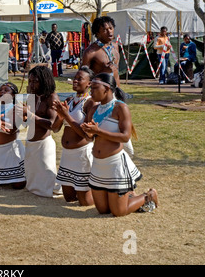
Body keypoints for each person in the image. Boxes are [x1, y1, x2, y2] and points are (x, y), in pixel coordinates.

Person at [80, 73, 159, 216]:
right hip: (98, 165)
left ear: (107, 88)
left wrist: (99, 131)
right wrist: (90, 133)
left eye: (95, 87)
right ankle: (127, 196)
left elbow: (125, 136)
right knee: (103, 210)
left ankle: (147, 196)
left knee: (118, 212)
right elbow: (89, 138)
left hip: (115, 164)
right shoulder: (93, 109)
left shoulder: (121, 108)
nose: (90, 91)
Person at [52, 66, 96, 206]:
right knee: (69, 198)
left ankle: (108, 196)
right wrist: (60, 116)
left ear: (89, 83)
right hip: (67, 156)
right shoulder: (70, 100)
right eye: (75, 78)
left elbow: (88, 136)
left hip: (81, 155)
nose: (75, 81)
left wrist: (66, 115)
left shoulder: (91, 103)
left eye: (79, 79)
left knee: (85, 202)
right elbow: (55, 128)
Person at [21, 65, 61, 198]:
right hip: (31, 142)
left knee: (47, 177)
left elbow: (51, 124)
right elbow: (27, 120)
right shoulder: (32, 95)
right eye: (30, 81)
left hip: (44, 143)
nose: (31, 84)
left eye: (35, 81)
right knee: (32, 177)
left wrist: (30, 114)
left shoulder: (51, 97)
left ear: (44, 81)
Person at [0, 82, 26, 189]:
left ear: (13, 95)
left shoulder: (17, 108)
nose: (2, 91)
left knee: (18, 185)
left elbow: (12, 130)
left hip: (10, 149)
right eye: (1, 89)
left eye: (6, 90)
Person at [81, 16, 121, 87]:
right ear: (97, 33)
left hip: (116, 91)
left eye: (111, 28)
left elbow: (116, 72)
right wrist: (104, 70)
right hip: (99, 92)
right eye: (105, 30)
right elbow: (82, 76)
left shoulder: (115, 46)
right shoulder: (90, 52)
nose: (109, 32)